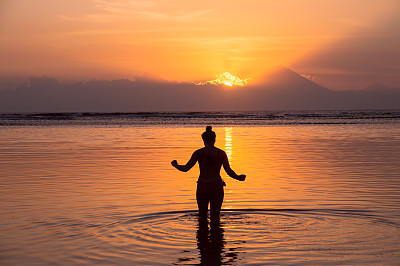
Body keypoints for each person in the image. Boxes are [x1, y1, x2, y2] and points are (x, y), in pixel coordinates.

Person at [171, 126, 246, 224]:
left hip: (202, 186)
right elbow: (229, 171)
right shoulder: (221, 153)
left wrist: (175, 165)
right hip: (217, 186)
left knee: (202, 217)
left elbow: (185, 168)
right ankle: (217, 237)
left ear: (203, 140)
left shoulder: (198, 153)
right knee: (215, 217)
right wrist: (239, 177)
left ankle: (203, 237)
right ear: (215, 139)